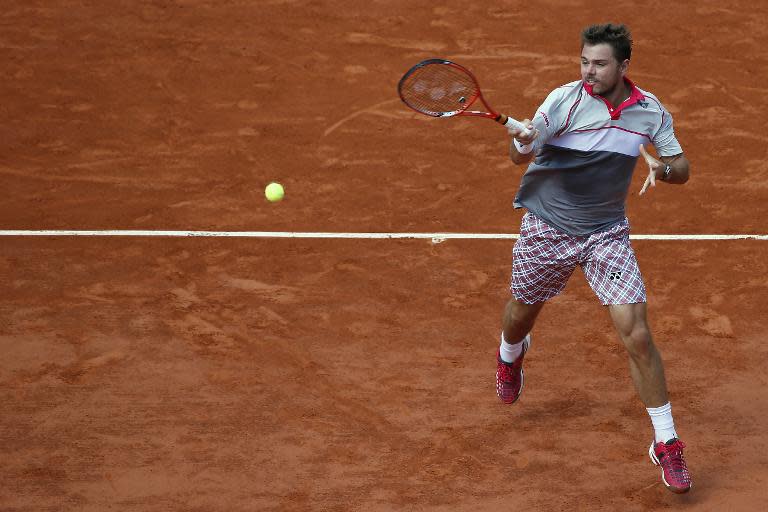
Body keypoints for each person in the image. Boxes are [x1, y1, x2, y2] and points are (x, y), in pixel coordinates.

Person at [496, 23, 692, 494]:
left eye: (599, 63)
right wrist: (524, 141)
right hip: (547, 226)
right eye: (584, 61)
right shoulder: (563, 100)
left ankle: (667, 442)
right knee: (522, 312)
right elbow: (517, 156)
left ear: (624, 66)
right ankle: (510, 355)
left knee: (638, 334)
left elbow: (682, 168)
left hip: (606, 232)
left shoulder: (649, 112)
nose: (589, 71)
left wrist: (660, 167)